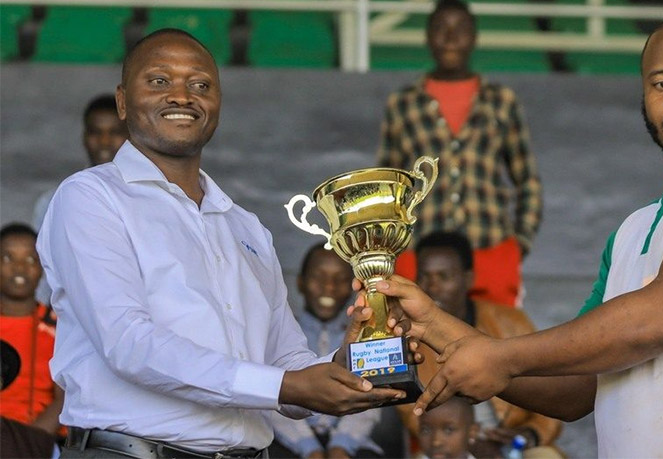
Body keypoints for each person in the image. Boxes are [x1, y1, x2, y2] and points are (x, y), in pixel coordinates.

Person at [365, 12, 663, 458]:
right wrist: (435, 326)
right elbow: (573, 390)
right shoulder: (633, 230)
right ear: (644, 97)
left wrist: (499, 358)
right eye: (662, 83)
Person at [36, 29, 405, 458]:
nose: (181, 96)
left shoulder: (245, 227)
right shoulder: (90, 198)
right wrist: (286, 385)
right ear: (122, 101)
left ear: (217, 104)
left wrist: (344, 369)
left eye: (200, 85)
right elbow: (129, 344)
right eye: (159, 81)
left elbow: (285, 359)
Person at [377, 0, 543, 308]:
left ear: (474, 36)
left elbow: (528, 180)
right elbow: (388, 185)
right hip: (420, 256)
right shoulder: (402, 104)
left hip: (490, 250)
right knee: (418, 345)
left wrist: (517, 247)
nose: (451, 37)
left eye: (460, 28)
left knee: (497, 346)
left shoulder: (501, 100)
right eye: (441, 27)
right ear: (427, 36)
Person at [396, 232, 561, 458]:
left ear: (469, 279)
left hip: (511, 442)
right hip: (444, 444)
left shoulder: (511, 322)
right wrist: (466, 441)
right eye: (424, 276)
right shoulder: (407, 334)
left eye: (444, 276)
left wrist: (528, 435)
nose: (432, 287)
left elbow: (551, 392)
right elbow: (409, 409)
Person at [266, 243, 385, 458]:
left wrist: (340, 446)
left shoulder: (365, 334)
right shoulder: (280, 335)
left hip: (349, 440)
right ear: (300, 283)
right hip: (292, 439)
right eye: (318, 278)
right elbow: (271, 394)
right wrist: (310, 449)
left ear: (352, 286)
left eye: (339, 279)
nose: (328, 287)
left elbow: (370, 398)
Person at [0, 223, 64, 436]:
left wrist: (28, 444)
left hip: (41, 443)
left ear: (42, 268)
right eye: (8, 258)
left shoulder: (60, 327)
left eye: (30, 259)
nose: (19, 268)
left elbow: (66, 398)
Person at [32, 94, 129, 231]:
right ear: (84, 137)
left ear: (131, 136)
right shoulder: (54, 201)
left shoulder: (148, 195)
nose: (104, 142)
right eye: (95, 132)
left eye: (115, 132)